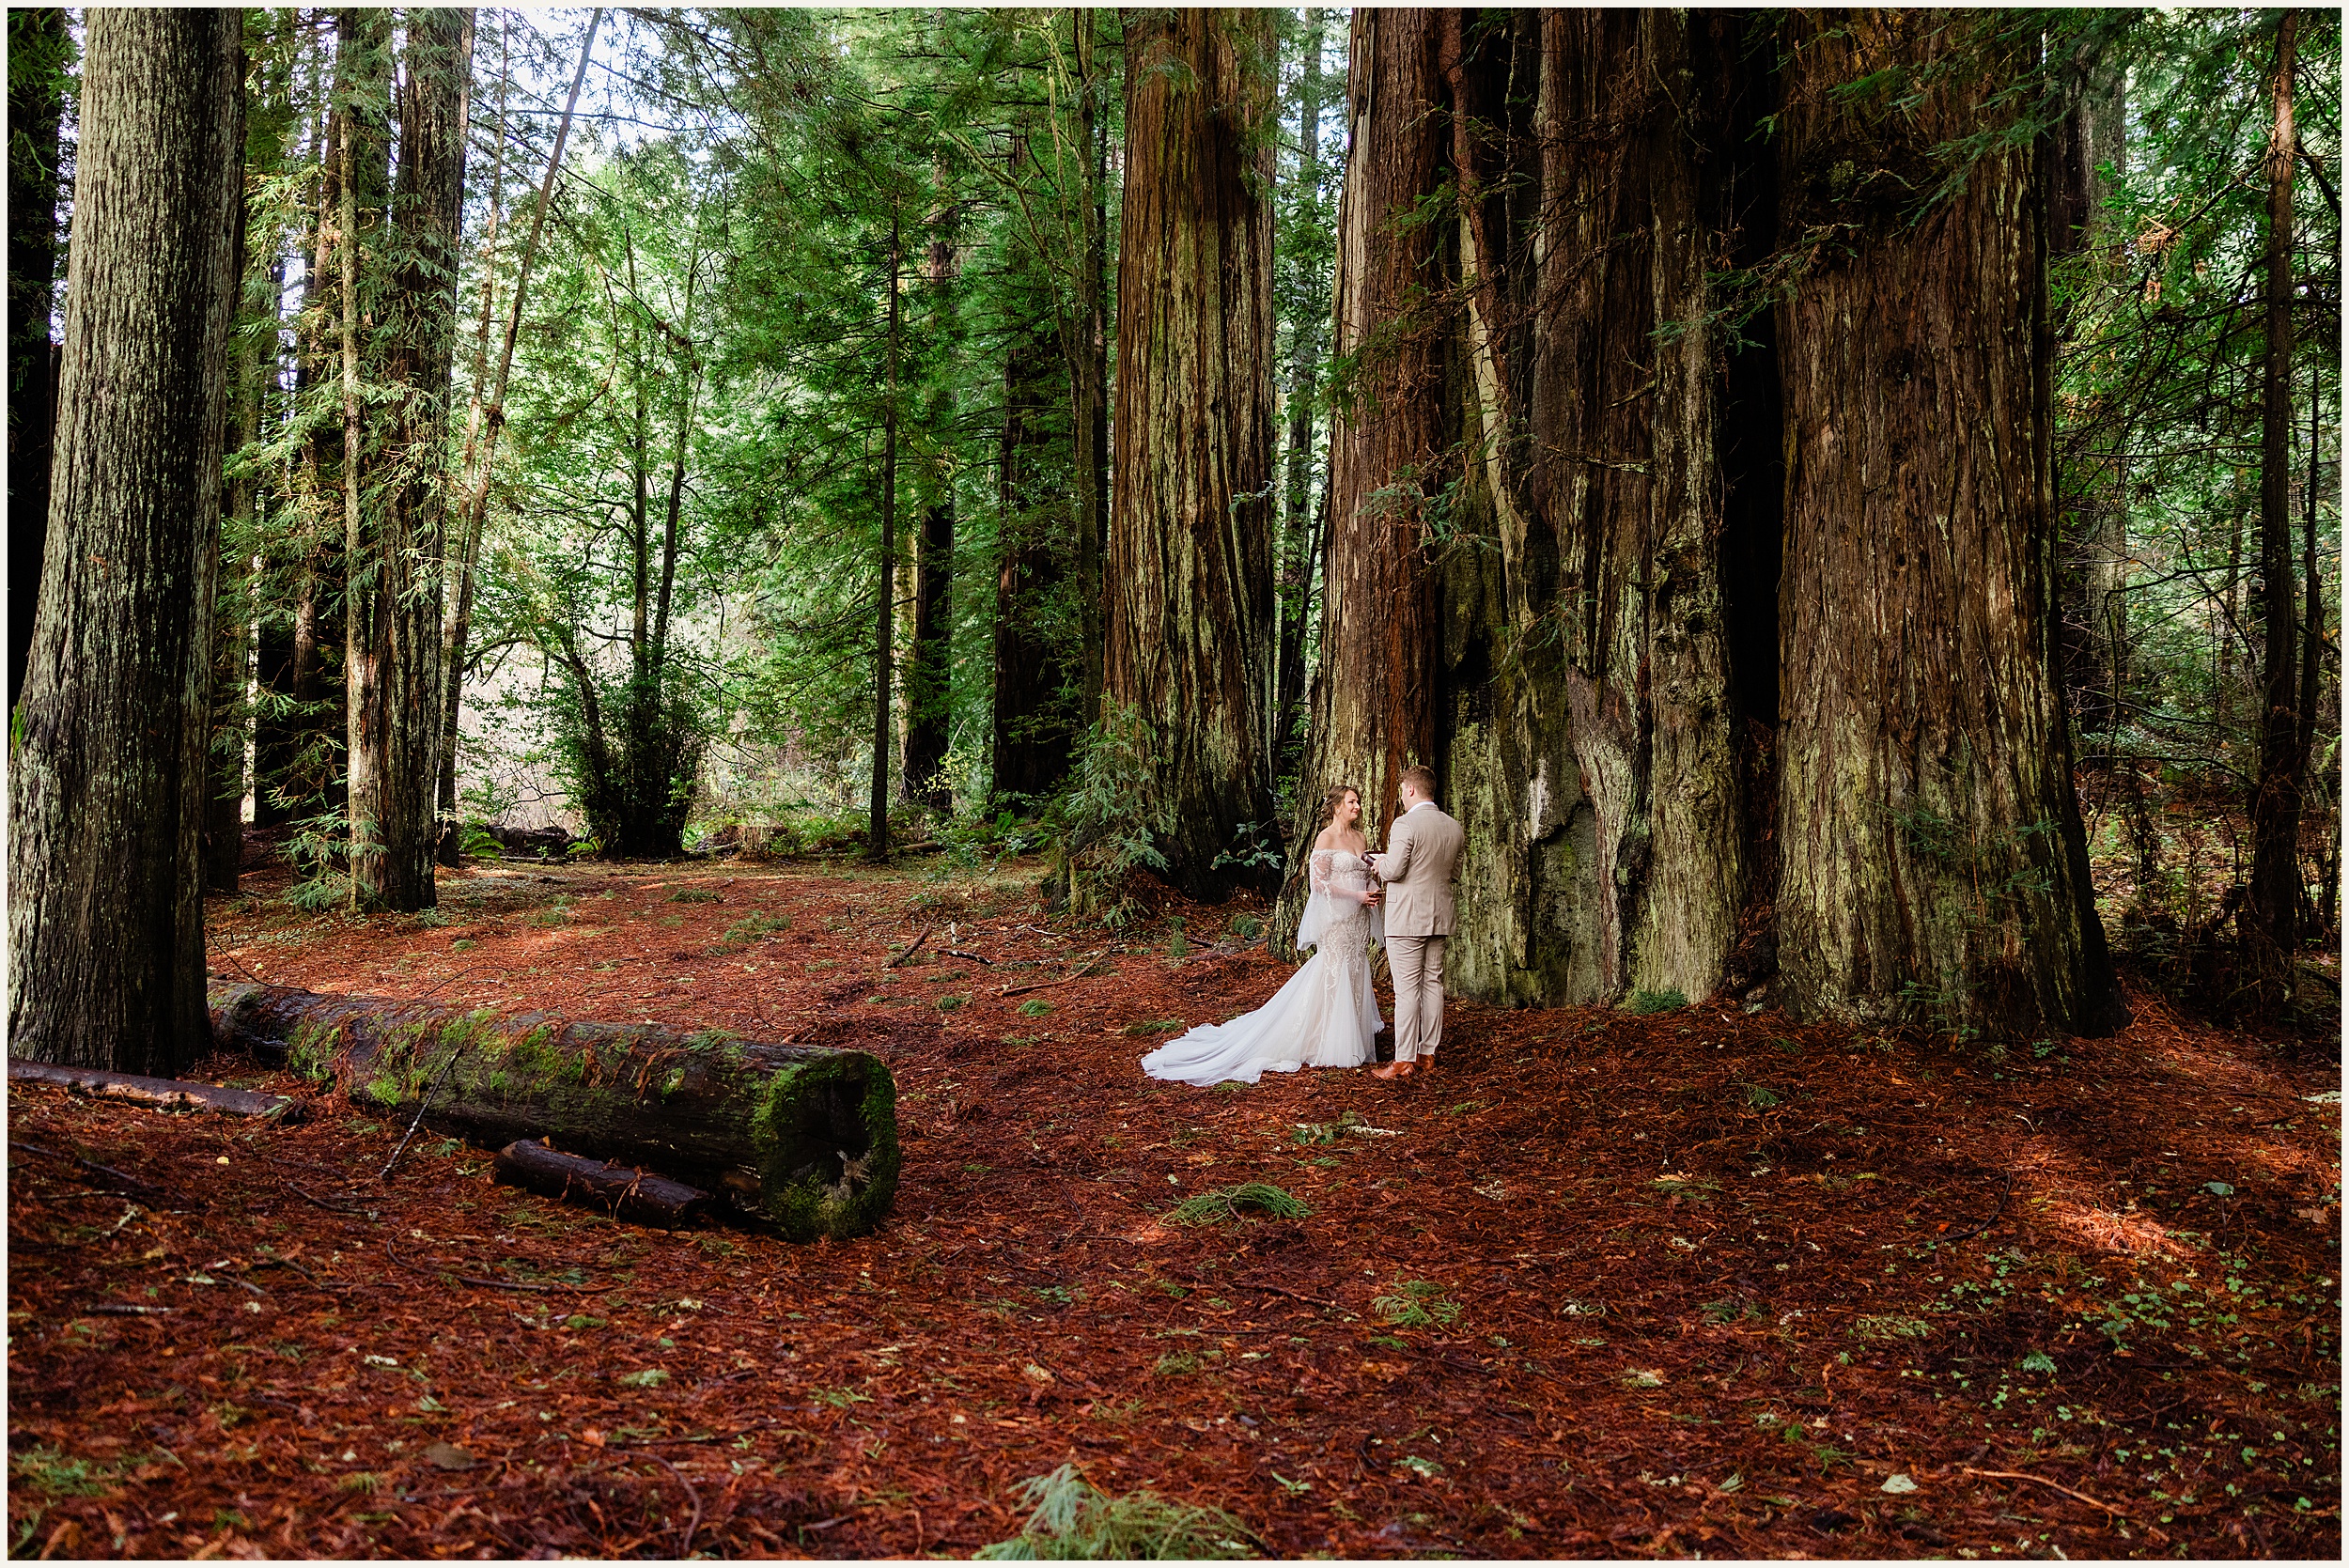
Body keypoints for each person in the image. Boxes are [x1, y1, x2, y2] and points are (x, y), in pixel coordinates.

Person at [1138, 784, 1383, 1086]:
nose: (1357, 806)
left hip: (1358, 920)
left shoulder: (1360, 838)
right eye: (1351, 802)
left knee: (1356, 968)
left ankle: (1355, 1038)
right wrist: (1356, 895)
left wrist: (1370, 891)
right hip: (1337, 920)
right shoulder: (1326, 838)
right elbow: (1319, 885)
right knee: (1335, 970)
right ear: (1336, 807)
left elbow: (1365, 873)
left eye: (1358, 801)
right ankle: (1329, 1039)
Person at [1367, 764, 1462, 1082]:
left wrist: (1378, 862)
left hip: (1407, 917)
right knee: (1433, 983)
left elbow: (1393, 870)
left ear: (1410, 789)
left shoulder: (1405, 824)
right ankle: (1427, 1053)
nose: (1401, 798)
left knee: (1407, 990)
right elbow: (1455, 873)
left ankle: (1403, 1060)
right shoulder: (1453, 826)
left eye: (1402, 792)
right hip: (1440, 915)